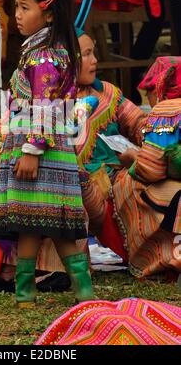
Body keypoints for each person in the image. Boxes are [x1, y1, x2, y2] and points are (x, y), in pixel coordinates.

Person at [0, 0, 93, 308]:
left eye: (24, 7)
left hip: (39, 149)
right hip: (40, 146)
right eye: (15, 7)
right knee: (37, 222)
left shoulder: (45, 55)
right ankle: (38, 294)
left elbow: (48, 107)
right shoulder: (42, 50)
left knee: (43, 221)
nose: (17, 14)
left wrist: (32, 150)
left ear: (48, 13)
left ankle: (56, 293)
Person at [77, 45, 181, 278]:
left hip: (120, 174)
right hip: (87, 179)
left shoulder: (108, 93)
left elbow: (138, 124)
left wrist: (154, 132)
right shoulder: (53, 100)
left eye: (94, 51)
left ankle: (156, 258)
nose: (95, 60)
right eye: (86, 54)